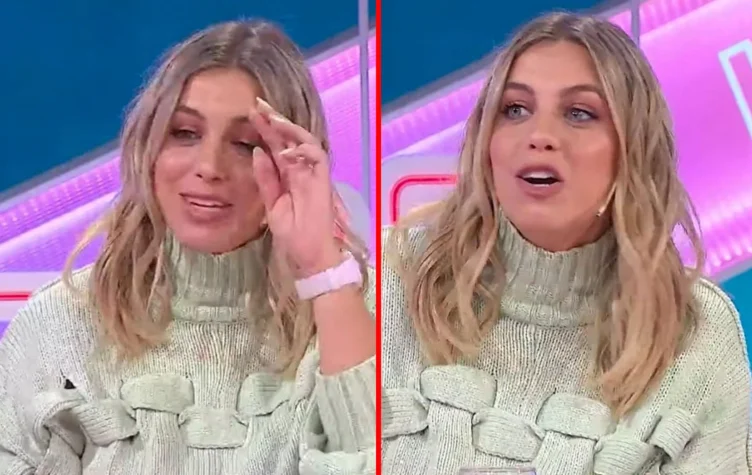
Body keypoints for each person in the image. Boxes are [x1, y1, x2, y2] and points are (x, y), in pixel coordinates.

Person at [381, 12, 751, 475]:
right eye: (515, 109)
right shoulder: (391, 279)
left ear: (631, 151)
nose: (540, 136)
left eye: (579, 113)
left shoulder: (695, 334)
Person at [0, 20, 375, 474]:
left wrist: (322, 271)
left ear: (294, 162)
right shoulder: (59, 323)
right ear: (148, 147)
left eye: (245, 144)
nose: (209, 167)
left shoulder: (363, 316)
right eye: (184, 133)